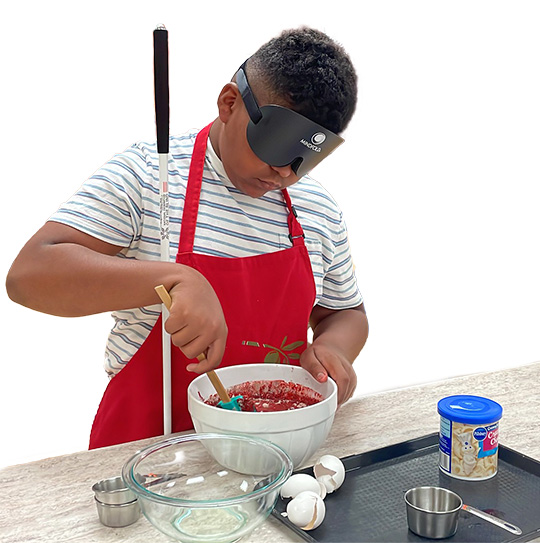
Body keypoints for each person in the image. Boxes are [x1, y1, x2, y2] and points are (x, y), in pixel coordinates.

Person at [6, 27, 369, 449]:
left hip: (273, 450)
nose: (285, 172)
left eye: (306, 158)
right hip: (149, 452)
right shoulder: (150, 176)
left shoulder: (316, 208)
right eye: (275, 144)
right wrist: (176, 279)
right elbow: (29, 275)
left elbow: (345, 313)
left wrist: (334, 349)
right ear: (230, 103)